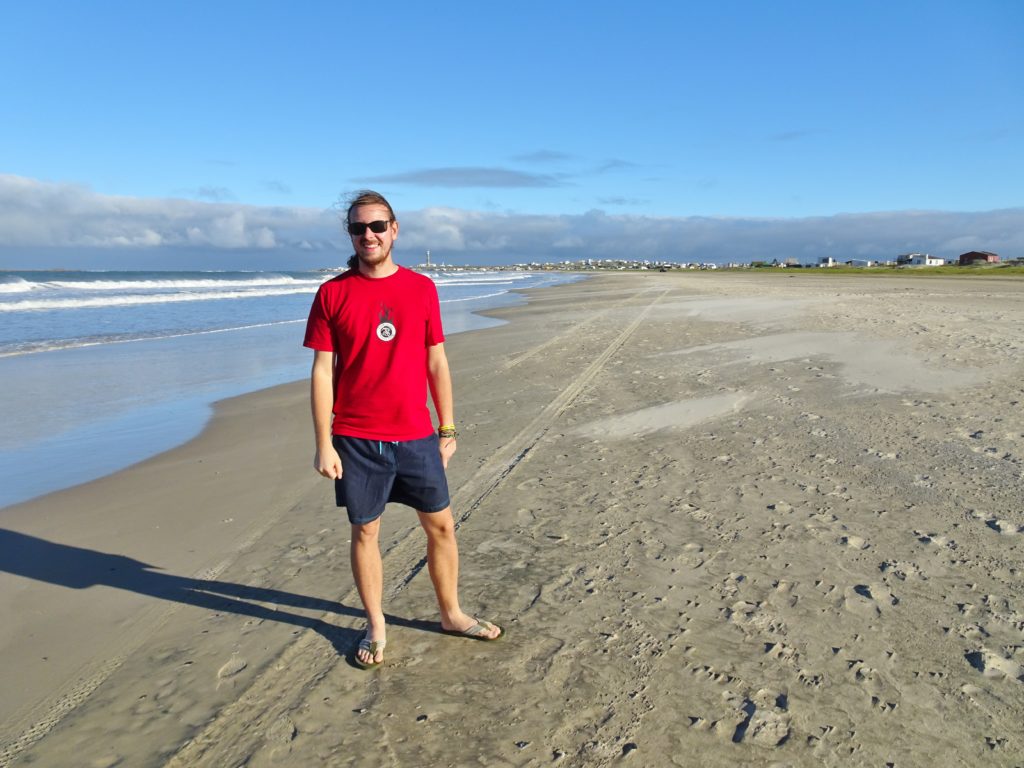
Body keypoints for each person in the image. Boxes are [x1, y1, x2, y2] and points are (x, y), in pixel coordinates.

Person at [304, 190, 502, 669]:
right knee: (365, 531)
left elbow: (437, 360)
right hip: (356, 438)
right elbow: (322, 372)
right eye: (358, 228)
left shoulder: (421, 289)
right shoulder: (333, 293)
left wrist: (448, 428)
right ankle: (376, 626)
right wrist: (323, 443)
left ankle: (451, 614)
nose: (368, 235)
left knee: (441, 527)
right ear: (350, 234)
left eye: (377, 226)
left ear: (395, 229)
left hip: (416, 434)